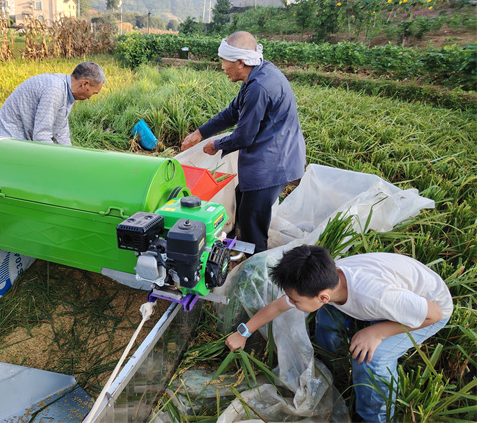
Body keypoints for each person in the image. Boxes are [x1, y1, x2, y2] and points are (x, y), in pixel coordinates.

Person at [226, 245, 453, 422]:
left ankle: (376, 417)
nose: (292, 303)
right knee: (327, 316)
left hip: (428, 312)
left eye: (296, 300)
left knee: (370, 358)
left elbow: (434, 313)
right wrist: (244, 332)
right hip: (394, 300)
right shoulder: (325, 280)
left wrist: (378, 332)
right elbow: (277, 306)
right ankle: (331, 366)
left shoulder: (376, 296)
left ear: (323, 296)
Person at [181, 31, 305, 253]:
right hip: (274, 154)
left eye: (224, 61)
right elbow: (233, 113)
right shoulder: (257, 74)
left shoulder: (259, 86)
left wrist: (216, 145)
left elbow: (244, 136)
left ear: (240, 62)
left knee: (252, 221)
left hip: (274, 161)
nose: (222, 67)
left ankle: (254, 269)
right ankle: (243, 248)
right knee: (242, 198)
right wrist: (200, 132)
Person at [0, 61, 105, 145]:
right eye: (93, 93)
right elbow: (41, 135)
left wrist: (70, 157)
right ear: (84, 84)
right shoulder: (55, 91)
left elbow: (60, 131)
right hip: (5, 138)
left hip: (22, 139)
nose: (90, 97)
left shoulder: (68, 92)